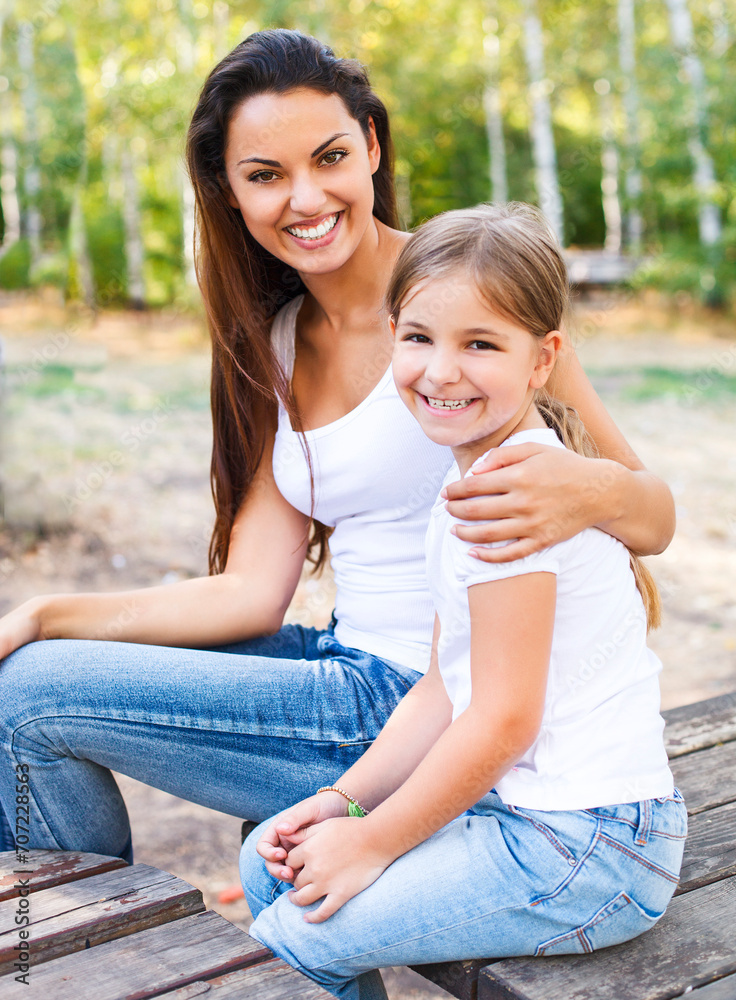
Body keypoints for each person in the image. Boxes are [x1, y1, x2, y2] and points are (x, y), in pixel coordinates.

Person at [0, 32, 674, 863]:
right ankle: (89, 953)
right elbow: (250, 592)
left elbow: (656, 517)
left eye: (329, 157)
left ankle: (90, 958)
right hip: (342, 662)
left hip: (418, 702)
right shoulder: (275, 340)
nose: (306, 197)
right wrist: (44, 615)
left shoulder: (462, 299)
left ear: (372, 148)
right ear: (229, 191)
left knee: (25, 698)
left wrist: (588, 490)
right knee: (33, 667)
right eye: (265, 175)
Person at [242, 204, 686, 1000]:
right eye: (418, 338)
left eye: (480, 344)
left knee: (284, 941)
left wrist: (372, 841)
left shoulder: (515, 500)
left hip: (591, 846)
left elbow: (502, 719)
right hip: (538, 816)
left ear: (543, 358)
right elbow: (446, 688)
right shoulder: (471, 480)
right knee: (268, 862)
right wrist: (342, 802)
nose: (441, 371)